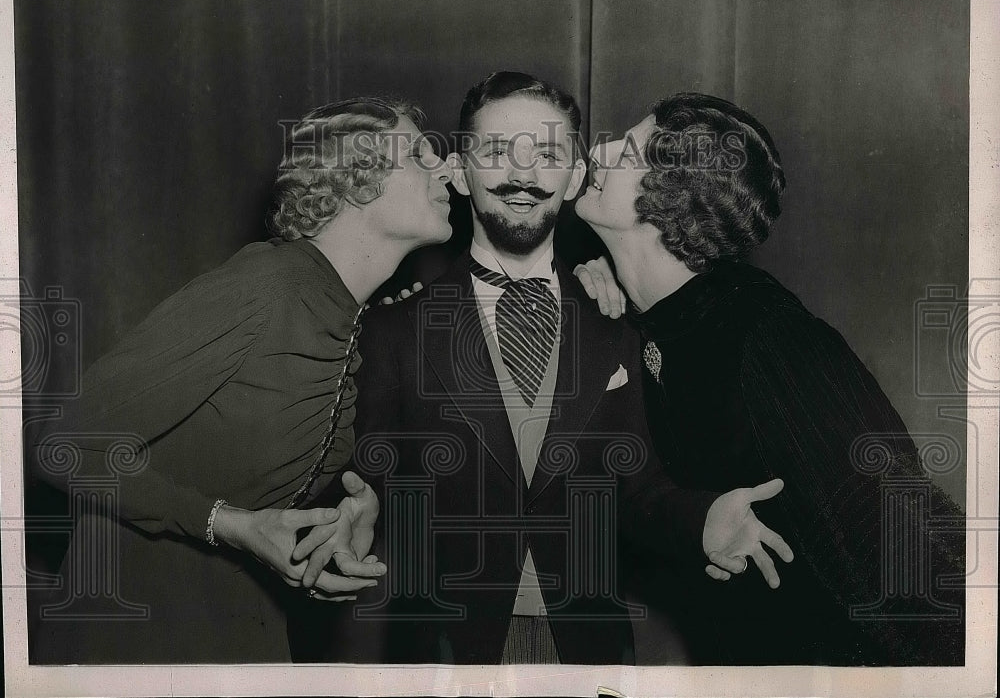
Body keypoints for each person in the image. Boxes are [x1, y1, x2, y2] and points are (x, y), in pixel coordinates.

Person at [293, 72, 794, 665]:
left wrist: (703, 519)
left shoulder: (619, 321)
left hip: (590, 648)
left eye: (549, 153)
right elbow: (357, 471)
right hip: (448, 650)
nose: (524, 175)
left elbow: (640, 488)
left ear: (576, 175)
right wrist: (355, 507)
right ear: (460, 171)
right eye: (498, 151)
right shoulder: (390, 329)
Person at [28, 97, 455, 663]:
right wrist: (228, 526)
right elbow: (66, 445)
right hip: (138, 636)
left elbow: (252, 471)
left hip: (239, 631)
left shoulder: (346, 317)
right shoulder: (264, 287)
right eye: (421, 154)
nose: (448, 168)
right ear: (357, 181)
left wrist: (349, 511)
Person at [575, 92, 966, 664]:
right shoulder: (643, 321)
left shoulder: (767, 334)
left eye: (627, 148)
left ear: (671, 197)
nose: (599, 149)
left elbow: (901, 520)